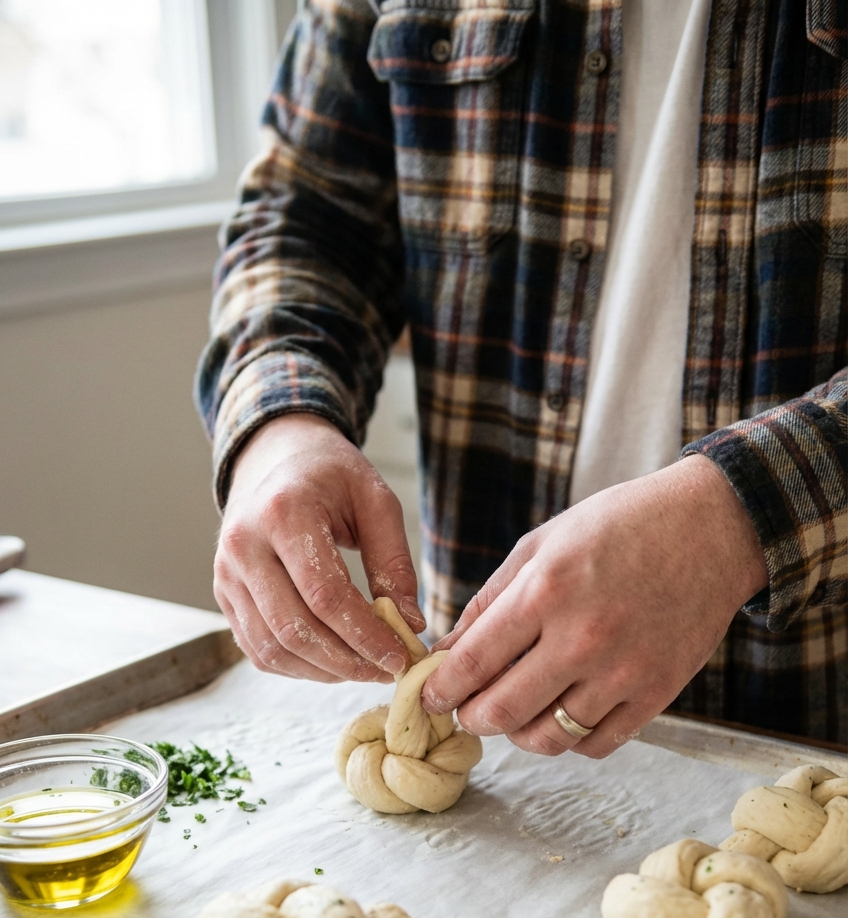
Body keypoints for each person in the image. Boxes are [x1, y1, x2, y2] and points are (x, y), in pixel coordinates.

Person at [195, 0, 846, 760]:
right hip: (486, 727)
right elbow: (303, 217)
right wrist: (278, 428)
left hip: (818, 725)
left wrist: (739, 517)